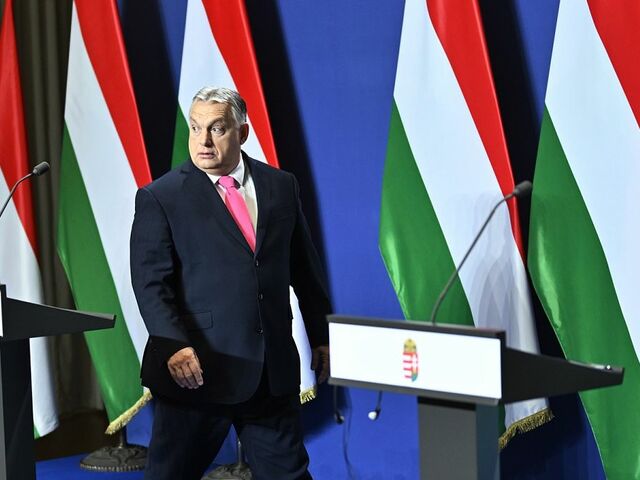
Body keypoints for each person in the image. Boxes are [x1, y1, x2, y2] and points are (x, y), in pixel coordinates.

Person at [130, 86, 331, 480]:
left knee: (289, 475)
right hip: (196, 372)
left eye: (217, 129)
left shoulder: (280, 186)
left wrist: (321, 335)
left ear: (242, 133)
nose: (203, 141)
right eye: (195, 128)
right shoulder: (161, 197)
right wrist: (173, 345)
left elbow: (305, 269)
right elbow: (151, 284)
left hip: (269, 373)